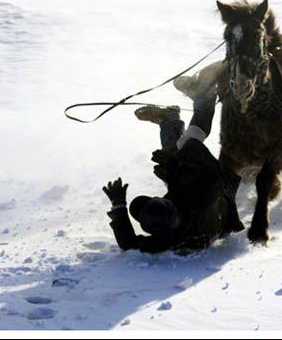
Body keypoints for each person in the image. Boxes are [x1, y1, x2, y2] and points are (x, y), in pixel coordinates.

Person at [103, 75, 244, 253]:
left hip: (194, 191)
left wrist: (118, 205)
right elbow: (208, 168)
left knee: (172, 154)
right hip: (218, 186)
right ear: (175, 208)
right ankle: (205, 98)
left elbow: (128, 242)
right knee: (186, 144)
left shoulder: (168, 240)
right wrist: (176, 163)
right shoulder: (203, 198)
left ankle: (168, 119)